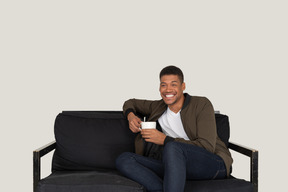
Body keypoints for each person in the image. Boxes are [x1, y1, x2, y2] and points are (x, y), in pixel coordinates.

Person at [116, 65, 233, 192]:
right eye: (163, 85)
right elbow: (130, 102)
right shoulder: (158, 106)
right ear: (159, 88)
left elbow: (207, 147)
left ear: (183, 86)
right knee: (125, 159)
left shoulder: (201, 104)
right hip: (175, 165)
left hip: (212, 163)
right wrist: (131, 116)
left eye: (173, 84)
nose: (168, 90)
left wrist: (165, 140)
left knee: (172, 147)